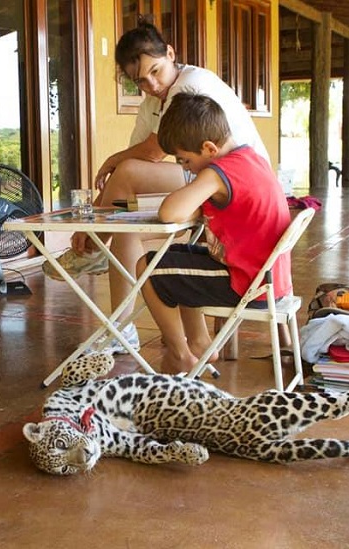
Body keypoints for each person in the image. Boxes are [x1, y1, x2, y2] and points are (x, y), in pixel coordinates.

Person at [42, 22, 271, 354]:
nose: (151, 84)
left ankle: (91, 250)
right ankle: (118, 319)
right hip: (208, 176)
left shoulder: (189, 85)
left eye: (155, 71)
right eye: (140, 80)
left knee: (127, 172)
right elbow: (140, 157)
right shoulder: (153, 100)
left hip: (231, 178)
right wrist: (118, 165)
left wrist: (112, 161)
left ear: (171, 54)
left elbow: (152, 152)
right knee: (126, 220)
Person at [137, 91, 291, 374]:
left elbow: (169, 212)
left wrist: (191, 191)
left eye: (185, 161)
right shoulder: (250, 157)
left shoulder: (220, 171)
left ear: (209, 148)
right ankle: (198, 343)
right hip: (267, 280)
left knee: (148, 267)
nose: (187, 169)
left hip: (247, 284)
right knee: (172, 259)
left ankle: (179, 353)